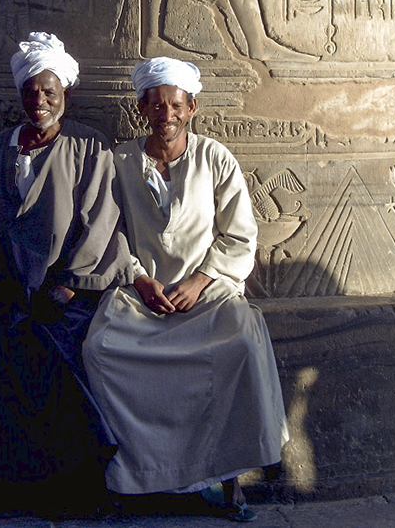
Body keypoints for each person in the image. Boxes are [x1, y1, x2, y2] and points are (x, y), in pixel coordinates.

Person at [83, 56, 289, 521]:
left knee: (240, 343)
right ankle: (137, 475)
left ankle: (230, 480)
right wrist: (138, 276)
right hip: (141, 295)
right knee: (101, 349)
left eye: (175, 105)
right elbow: (108, 232)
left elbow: (239, 235)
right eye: (156, 105)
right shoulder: (119, 161)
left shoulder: (215, 158)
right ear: (142, 110)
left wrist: (201, 279)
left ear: (192, 107)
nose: (166, 115)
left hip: (208, 292)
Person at [0, 32, 134, 518]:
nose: (38, 101)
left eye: (49, 93)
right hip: (12, 289)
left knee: (51, 351)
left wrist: (68, 282)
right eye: (30, 92)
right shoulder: (1, 149)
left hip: (71, 290)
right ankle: (15, 481)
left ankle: (79, 484)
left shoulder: (88, 146)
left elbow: (101, 221)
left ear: (65, 96)